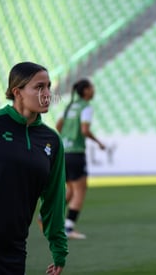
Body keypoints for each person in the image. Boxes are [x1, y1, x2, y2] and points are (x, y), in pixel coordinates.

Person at [0, 62, 68, 275]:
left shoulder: (51, 141)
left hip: (13, 250)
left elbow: (54, 198)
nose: (47, 94)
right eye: (39, 87)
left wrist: (59, 249)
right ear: (17, 92)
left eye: (48, 87)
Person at [56, 79, 105, 239]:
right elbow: (84, 130)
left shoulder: (70, 106)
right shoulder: (85, 107)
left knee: (70, 189)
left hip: (64, 152)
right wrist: (98, 142)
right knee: (80, 191)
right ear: (85, 91)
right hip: (76, 153)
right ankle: (68, 228)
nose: (94, 90)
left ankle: (47, 216)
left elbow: (58, 125)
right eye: (91, 87)